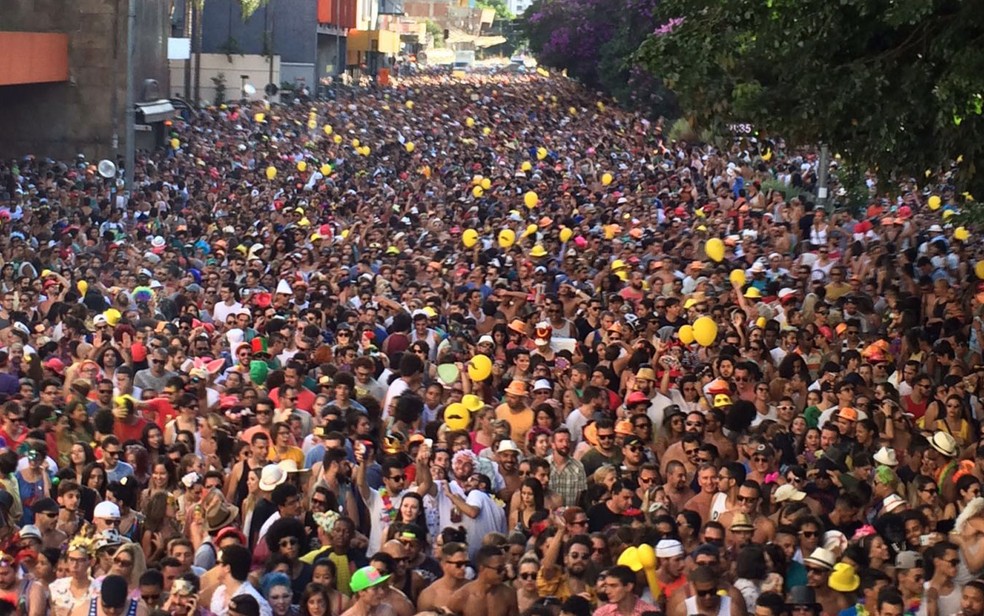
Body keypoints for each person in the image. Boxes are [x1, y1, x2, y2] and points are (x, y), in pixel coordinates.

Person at [446, 545, 519, 616]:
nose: (503, 572)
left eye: (504, 568)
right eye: (499, 569)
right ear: (482, 568)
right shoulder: (461, 597)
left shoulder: (508, 595)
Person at [210, 544, 273, 616]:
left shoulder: (256, 601)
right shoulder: (219, 592)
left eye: (218, 563)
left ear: (227, 568)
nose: (215, 566)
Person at [68, 574, 148, 616]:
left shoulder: (140, 611)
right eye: (106, 606)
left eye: (118, 606)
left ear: (127, 597)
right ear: (100, 595)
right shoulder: (83, 611)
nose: (112, 611)